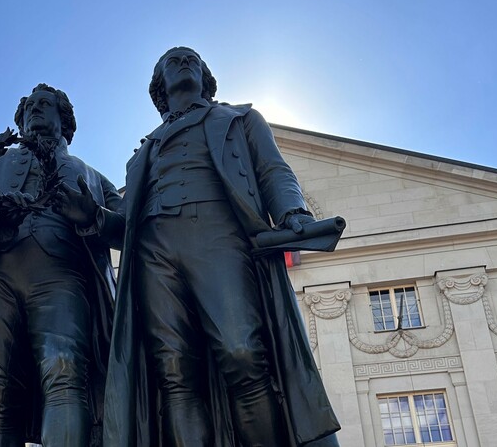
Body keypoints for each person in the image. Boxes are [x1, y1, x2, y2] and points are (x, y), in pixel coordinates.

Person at [86, 47, 340, 446]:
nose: (184, 61)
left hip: (219, 236)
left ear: (206, 76)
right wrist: (92, 217)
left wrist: (293, 213)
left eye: (192, 59)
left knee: (242, 353)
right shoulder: (141, 154)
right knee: (173, 372)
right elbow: (126, 227)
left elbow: (273, 170)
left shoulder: (240, 118)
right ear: (159, 86)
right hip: (154, 253)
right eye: (173, 60)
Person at [0, 83, 121, 447]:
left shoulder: (91, 175)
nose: (36, 110)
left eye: (45, 104)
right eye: (30, 106)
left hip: (62, 276)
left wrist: (93, 215)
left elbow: (129, 226)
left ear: (64, 120)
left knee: (65, 372)